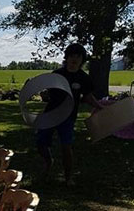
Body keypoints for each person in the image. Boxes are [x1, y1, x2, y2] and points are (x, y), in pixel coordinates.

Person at [36, 43, 102, 185]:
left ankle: (68, 178)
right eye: (72, 56)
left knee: (66, 146)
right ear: (67, 57)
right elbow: (48, 92)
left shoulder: (83, 78)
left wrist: (99, 106)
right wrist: (44, 94)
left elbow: (88, 96)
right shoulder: (57, 74)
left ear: (82, 60)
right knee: (41, 142)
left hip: (68, 117)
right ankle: (48, 162)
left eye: (78, 56)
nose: (74, 59)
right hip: (50, 114)